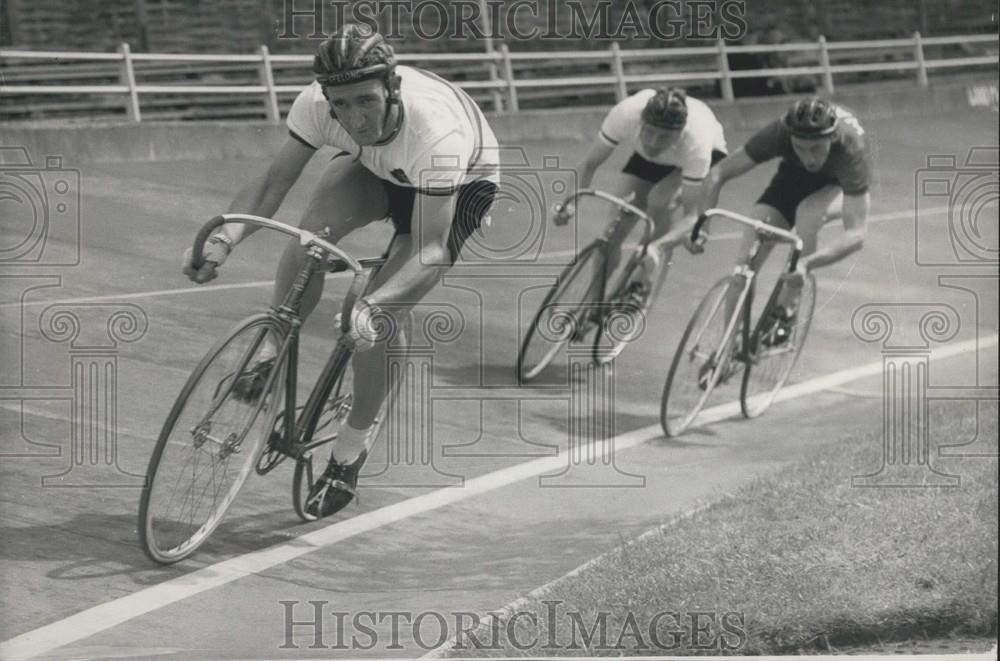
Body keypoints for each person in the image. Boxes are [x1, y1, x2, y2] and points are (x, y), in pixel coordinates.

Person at [182, 23, 500, 518]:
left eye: (365, 101)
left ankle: (349, 453)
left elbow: (432, 249)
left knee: (371, 317)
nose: (354, 117)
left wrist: (375, 304)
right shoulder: (316, 104)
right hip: (380, 166)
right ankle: (270, 349)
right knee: (311, 236)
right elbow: (271, 185)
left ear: (392, 87)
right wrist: (223, 239)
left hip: (456, 184)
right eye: (341, 105)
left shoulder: (437, 131)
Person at [702, 96, 870, 357]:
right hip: (791, 179)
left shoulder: (851, 148)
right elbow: (718, 173)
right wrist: (703, 224)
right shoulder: (779, 133)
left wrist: (807, 264)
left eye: (816, 148)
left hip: (835, 183)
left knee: (808, 214)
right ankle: (727, 345)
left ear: (831, 137)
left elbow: (857, 234)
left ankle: (786, 310)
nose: (808, 156)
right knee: (746, 260)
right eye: (800, 147)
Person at [555, 87, 728, 318]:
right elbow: (588, 164)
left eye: (664, 136)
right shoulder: (626, 114)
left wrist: (662, 246)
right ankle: (593, 303)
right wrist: (570, 202)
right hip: (648, 159)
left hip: (694, 159)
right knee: (612, 231)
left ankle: (644, 277)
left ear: (679, 133)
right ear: (640, 123)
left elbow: (692, 215)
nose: (654, 142)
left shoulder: (697, 143)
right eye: (649, 132)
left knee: (659, 200)